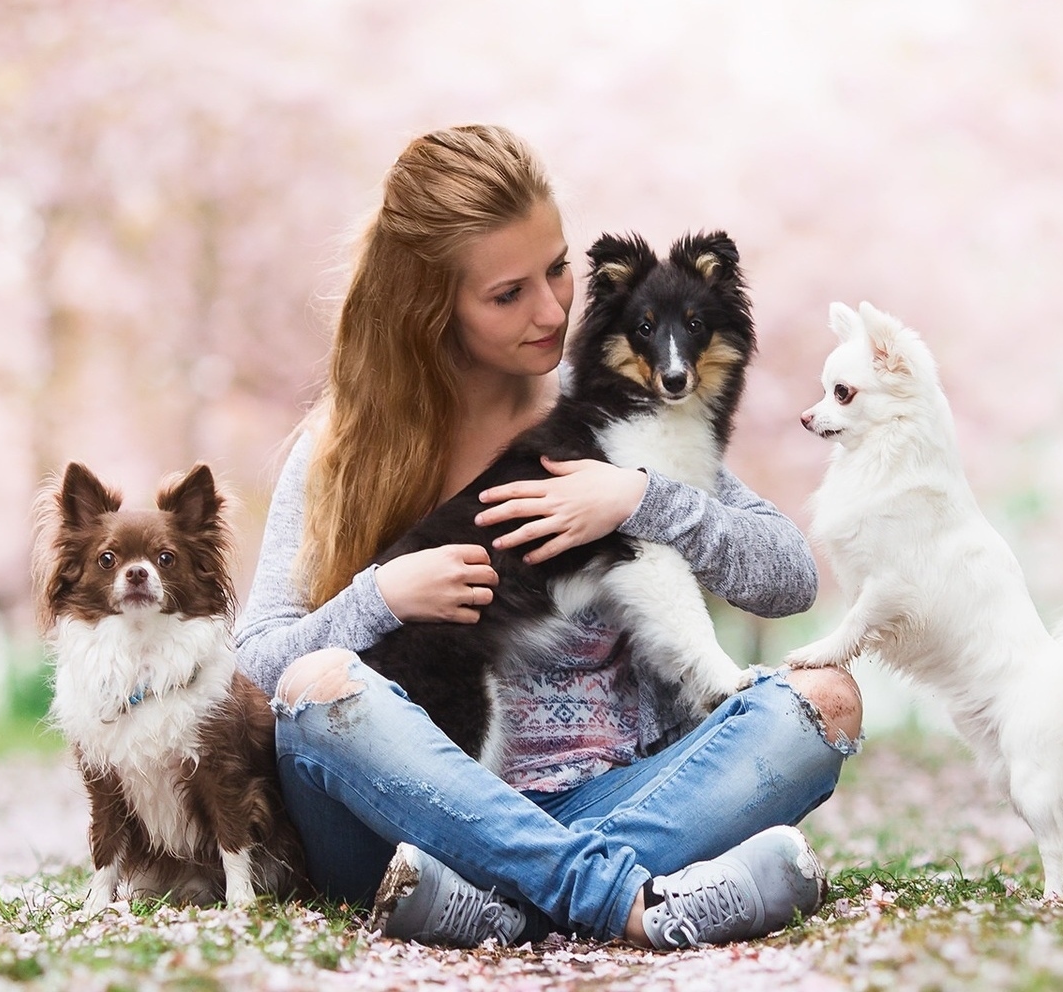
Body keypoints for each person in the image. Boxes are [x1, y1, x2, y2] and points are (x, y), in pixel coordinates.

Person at [235, 124, 862, 950]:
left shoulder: (612, 404)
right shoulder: (341, 449)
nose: (554, 310)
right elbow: (254, 664)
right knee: (318, 686)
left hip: (611, 796)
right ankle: (627, 901)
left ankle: (498, 910)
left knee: (825, 703)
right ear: (433, 308)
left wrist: (638, 498)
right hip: (401, 822)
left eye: (558, 268)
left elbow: (788, 578)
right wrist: (380, 597)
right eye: (507, 295)